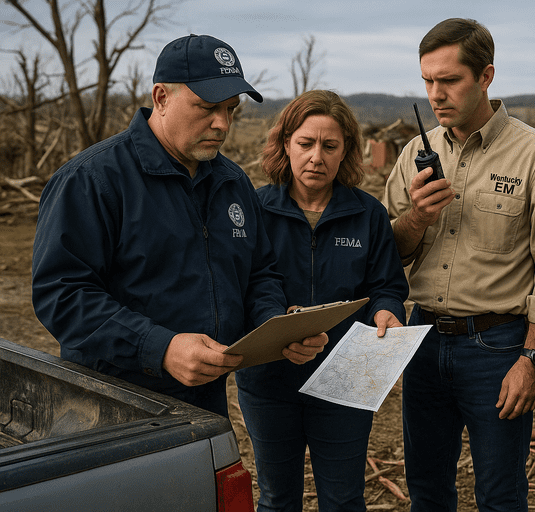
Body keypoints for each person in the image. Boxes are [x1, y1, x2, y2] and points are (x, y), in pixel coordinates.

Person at [32, 34, 328, 418]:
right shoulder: (93, 179)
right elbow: (62, 294)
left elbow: (258, 272)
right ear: (161, 97)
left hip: (205, 398)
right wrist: (161, 348)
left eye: (230, 109)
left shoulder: (232, 183)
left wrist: (274, 325)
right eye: (206, 107)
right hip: (111, 402)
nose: (222, 123)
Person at [383, 18, 535, 510]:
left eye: (449, 80)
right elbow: (389, 254)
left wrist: (531, 360)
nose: (435, 94)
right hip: (421, 340)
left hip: (498, 346)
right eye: (427, 80)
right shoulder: (413, 154)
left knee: (500, 494)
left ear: (486, 76)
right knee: (427, 490)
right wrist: (416, 218)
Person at [235, 90, 409, 511]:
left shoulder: (368, 214)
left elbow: (386, 284)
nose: (317, 157)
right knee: (277, 498)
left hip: (348, 377)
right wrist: (281, 323)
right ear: (285, 145)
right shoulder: (253, 209)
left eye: (330, 146)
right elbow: (245, 285)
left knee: (344, 498)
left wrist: (388, 310)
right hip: (270, 380)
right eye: (305, 144)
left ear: (346, 150)